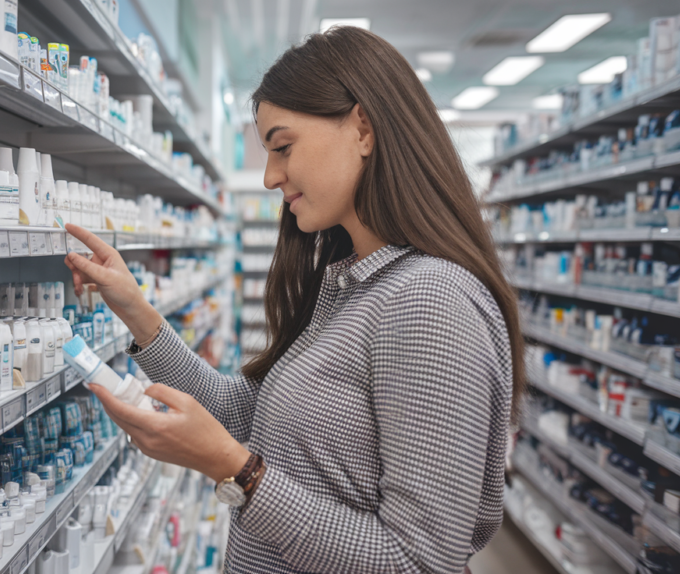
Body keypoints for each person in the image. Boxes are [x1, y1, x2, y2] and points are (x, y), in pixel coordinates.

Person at [63, 25, 524, 574]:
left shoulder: (429, 302)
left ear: (364, 127)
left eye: (282, 147)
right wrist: (136, 312)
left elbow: (420, 562)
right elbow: (254, 417)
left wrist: (237, 472)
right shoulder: (352, 285)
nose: (268, 177)